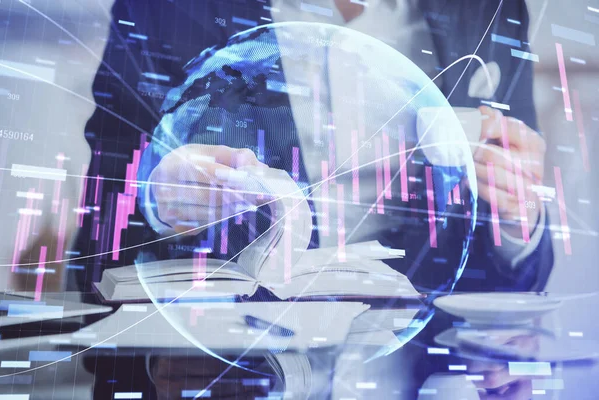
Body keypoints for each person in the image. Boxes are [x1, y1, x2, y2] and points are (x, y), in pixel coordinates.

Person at [70, 0, 553, 297]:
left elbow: (518, 277)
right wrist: (156, 197)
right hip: (236, 370)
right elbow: (98, 239)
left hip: (428, 375)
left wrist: (517, 223)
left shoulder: (489, 9)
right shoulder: (165, 8)